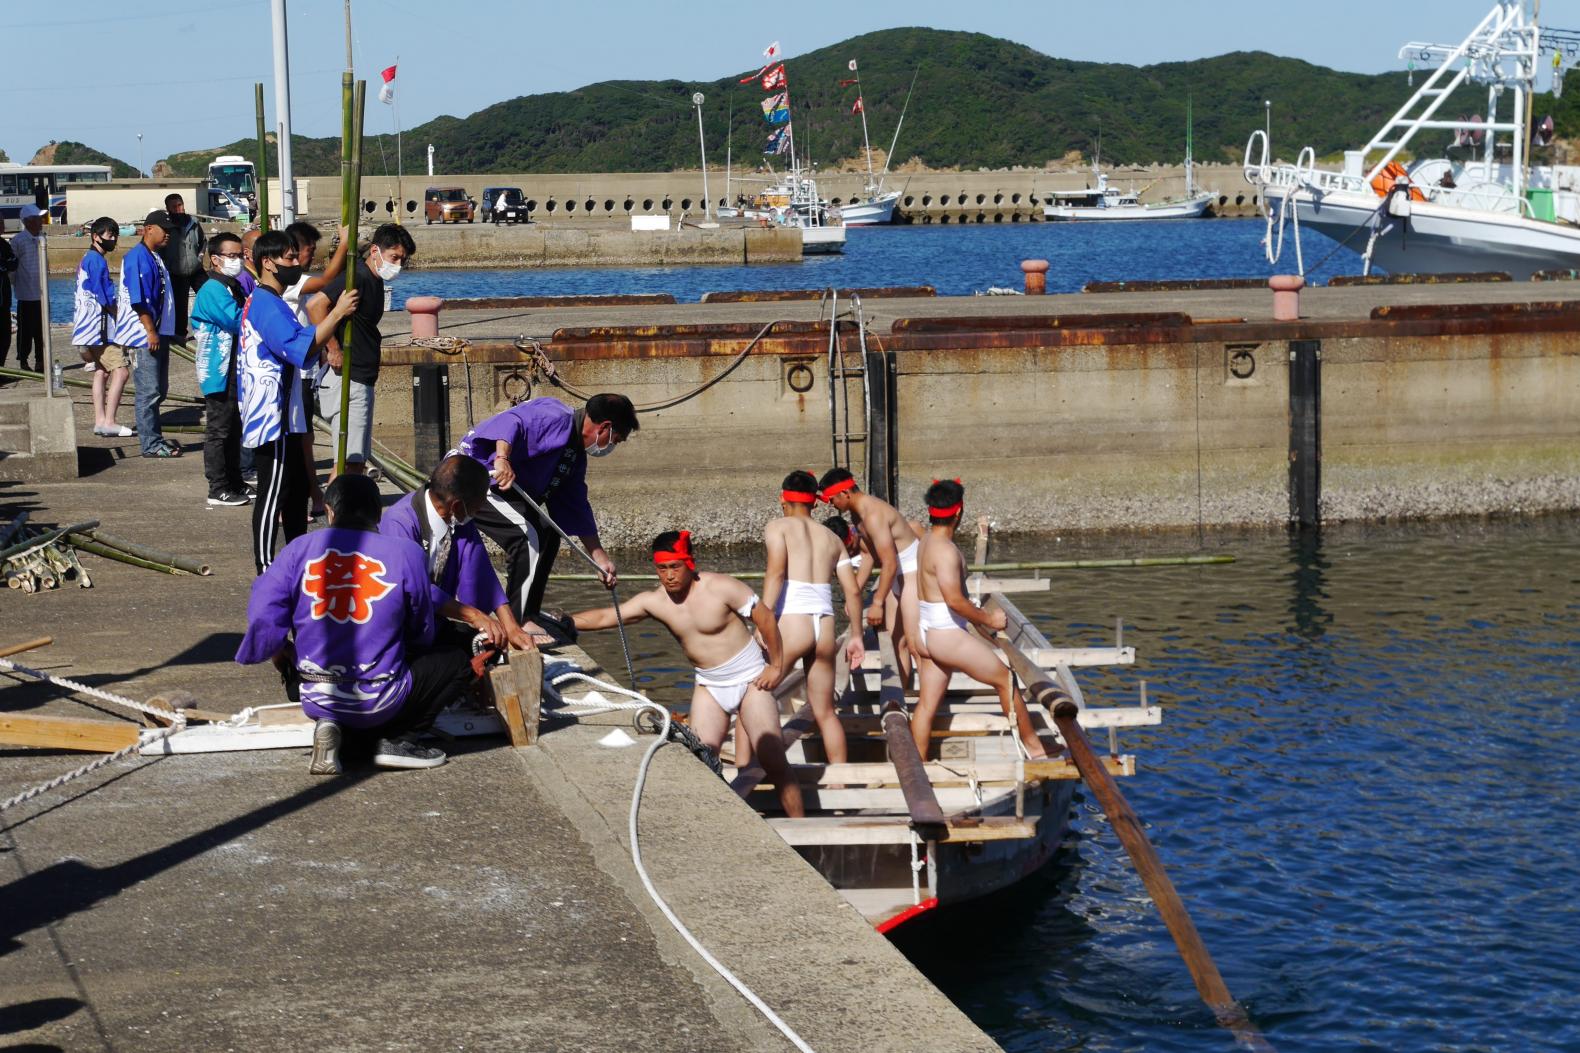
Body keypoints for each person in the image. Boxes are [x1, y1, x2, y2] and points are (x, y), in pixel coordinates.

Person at [235, 474, 473, 773]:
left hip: (311, 690)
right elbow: (421, 631)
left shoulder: (297, 549)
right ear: (378, 515)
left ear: (331, 512)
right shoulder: (406, 553)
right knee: (456, 661)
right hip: (379, 697)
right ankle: (399, 740)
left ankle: (333, 727)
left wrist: (279, 651)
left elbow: (262, 614)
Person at [571, 530, 805, 818]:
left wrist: (777, 666)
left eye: (675, 567)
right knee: (700, 760)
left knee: (772, 758)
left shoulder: (720, 587)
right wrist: (564, 621)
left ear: (690, 563)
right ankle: (715, 823)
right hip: (709, 684)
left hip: (750, 679)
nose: (669, 576)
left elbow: (765, 617)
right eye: (662, 568)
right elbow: (608, 616)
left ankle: (799, 825)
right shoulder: (654, 601)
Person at [458, 393, 636, 636]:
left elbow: (575, 506)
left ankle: (529, 611)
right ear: (605, 427)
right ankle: (518, 622)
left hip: (505, 490)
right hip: (477, 478)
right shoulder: (555, 416)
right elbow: (512, 422)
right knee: (529, 537)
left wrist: (599, 557)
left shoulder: (574, 454)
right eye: (616, 439)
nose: (612, 445)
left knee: (549, 536)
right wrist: (502, 458)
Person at [239, 230, 359, 572]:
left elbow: (300, 346)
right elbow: (297, 347)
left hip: (287, 413)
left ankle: (296, 557)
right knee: (273, 491)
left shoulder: (273, 301)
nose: (296, 264)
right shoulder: (264, 302)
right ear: (267, 263)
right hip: (271, 414)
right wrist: (335, 316)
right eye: (289, 259)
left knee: (294, 492)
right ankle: (265, 565)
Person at [912, 479, 1046, 761]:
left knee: (926, 705)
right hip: (945, 634)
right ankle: (1035, 747)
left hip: (926, 632)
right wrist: (991, 620)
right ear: (959, 513)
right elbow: (955, 601)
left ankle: (919, 764)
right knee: (1006, 680)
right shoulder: (946, 551)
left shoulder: (925, 541)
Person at [379, 454, 541, 651]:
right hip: (398, 634)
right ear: (456, 505)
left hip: (432, 622)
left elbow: (482, 570)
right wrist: (473, 615)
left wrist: (511, 626)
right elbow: (413, 587)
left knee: (490, 647)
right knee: (463, 669)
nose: (479, 510)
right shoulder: (400, 523)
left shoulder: (457, 517)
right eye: (478, 506)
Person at [761, 471, 864, 766]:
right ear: (815, 504)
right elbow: (853, 591)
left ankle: (746, 773)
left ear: (783, 499)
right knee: (826, 712)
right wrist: (856, 635)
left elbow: (776, 573)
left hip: (792, 621)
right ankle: (840, 783)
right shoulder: (833, 537)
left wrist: (763, 619)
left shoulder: (778, 527)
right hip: (825, 626)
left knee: (754, 697)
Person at [307, 223, 415, 478]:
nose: (398, 265)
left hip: (363, 376)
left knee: (356, 461)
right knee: (348, 463)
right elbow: (315, 306)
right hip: (349, 376)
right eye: (394, 257)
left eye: (403, 260)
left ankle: (344, 512)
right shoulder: (358, 277)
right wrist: (332, 347)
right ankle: (339, 514)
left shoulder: (375, 281)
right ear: (375, 251)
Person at [817, 467, 926, 681]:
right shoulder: (858, 515)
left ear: (845, 493)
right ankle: (900, 702)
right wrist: (854, 593)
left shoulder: (873, 515)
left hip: (912, 574)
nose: (831, 505)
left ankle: (930, 706)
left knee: (916, 645)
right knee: (897, 643)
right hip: (897, 578)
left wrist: (877, 602)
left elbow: (890, 563)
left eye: (832, 499)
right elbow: (869, 556)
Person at [283, 222, 348, 518]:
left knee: (304, 436)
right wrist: (344, 245)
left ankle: (313, 493)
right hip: (294, 370)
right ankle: (297, 498)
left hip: (304, 368)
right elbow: (328, 281)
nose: (313, 255)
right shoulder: (292, 281)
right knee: (297, 437)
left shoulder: (295, 280)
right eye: (310, 249)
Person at [112, 210, 180, 457]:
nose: (168, 235)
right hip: (143, 335)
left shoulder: (155, 256)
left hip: (158, 332)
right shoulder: (137, 257)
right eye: (165, 230)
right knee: (148, 391)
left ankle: (155, 437)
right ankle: (150, 445)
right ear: (149, 228)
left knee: (159, 390)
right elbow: (138, 300)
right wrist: (150, 330)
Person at [191, 231, 251, 507]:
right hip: (218, 369)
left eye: (240, 255)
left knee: (234, 427)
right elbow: (237, 320)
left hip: (233, 367)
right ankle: (217, 487)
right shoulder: (213, 289)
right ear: (215, 259)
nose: (238, 260)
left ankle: (235, 479)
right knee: (219, 429)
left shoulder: (231, 285)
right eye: (232, 256)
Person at [72, 216, 133, 437]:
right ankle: (109, 421)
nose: (114, 239)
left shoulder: (86, 258)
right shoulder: (97, 261)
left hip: (85, 328)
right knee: (121, 371)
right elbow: (106, 296)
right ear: (96, 237)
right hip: (100, 329)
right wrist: (122, 317)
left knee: (101, 371)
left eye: (115, 234)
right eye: (110, 235)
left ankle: (100, 420)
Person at [157, 194, 207, 344]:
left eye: (180, 205)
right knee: (180, 304)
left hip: (196, 269)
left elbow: (203, 241)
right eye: (174, 207)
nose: (178, 209)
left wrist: (201, 256)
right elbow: (159, 247)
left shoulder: (194, 222)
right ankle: (180, 334)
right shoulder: (166, 226)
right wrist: (167, 265)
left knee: (209, 294)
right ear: (168, 209)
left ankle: (212, 325)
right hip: (176, 272)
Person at [9, 204, 45, 374]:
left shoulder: (42, 237)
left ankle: (40, 360)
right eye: (38, 218)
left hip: (42, 292)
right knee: (25, 330)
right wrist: (16, 285)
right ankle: (23, 360)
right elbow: (12, 269)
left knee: (41, 330)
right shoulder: (18, 241)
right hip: (25, 293)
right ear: (29, 221)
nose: (41, 221)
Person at [0, 218, 17, 372]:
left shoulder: (4, 245)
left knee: (5, 337)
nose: (2, 226)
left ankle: (2, 369)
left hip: (4, 302)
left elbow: (13, 263)